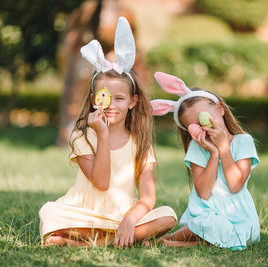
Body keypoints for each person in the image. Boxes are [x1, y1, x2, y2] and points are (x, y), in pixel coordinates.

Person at [39, 18, 177, 248]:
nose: (111, 105)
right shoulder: (82, 137)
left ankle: (93, 242)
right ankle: (114, 239)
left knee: (168, 215)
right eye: (105, 97)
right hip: (85, 213)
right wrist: (102, 135)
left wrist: (130, 220)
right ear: (95, 100)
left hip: (124, 215)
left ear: (133, 102)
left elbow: (148, 197)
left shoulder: (140, 141)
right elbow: (101, 183)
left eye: (120, 98)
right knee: (50, 212)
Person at [151, 72, 260, 250]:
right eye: (195, 127)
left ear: (220, 109)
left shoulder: (243, 141)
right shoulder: (198, 148)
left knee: (232, 230)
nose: (204, 128)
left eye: (204, 119)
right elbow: (203, 192)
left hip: (240, 218)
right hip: (207, 215)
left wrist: (223, 148)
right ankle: (174, 240)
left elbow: (235, 185)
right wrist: (213, 153)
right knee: (208, 222)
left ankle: (176, 242)